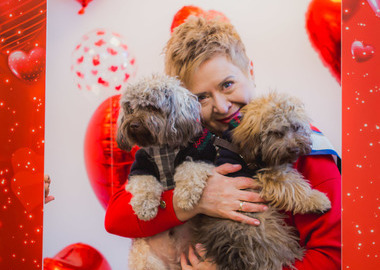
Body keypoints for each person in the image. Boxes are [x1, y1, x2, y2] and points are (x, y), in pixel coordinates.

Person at [105, 16, 341, 269]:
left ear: (250, 70)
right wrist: (189, 202)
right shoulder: (187, 144)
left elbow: (335, 256)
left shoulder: (299, 144)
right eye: (202, 97)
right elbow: (116, 217)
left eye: (227, 84)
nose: (221, 106)